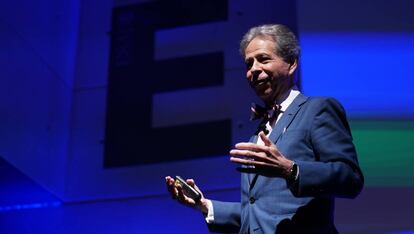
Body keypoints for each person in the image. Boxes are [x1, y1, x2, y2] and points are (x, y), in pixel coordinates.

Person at [165, 24, 364, 234]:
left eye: (263, 59)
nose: (254, 69)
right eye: (249, 64)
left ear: (291, 63)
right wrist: (204, 205)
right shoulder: (257, 134)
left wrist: (291, 170)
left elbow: (350, 177)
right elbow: (259, 212)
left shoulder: (317, 109)